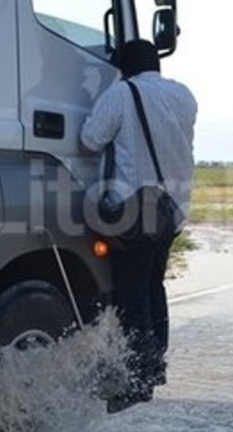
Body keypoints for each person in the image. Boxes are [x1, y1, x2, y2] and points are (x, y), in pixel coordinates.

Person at [81, 39, 197, 412]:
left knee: (131, 293)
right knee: (153, 285)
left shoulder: (121, 93)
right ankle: (153, 367)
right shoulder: (183, 95)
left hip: (135, 210)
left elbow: (89, 140)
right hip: (172, 209)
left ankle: (137, 379)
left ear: (125, 67)